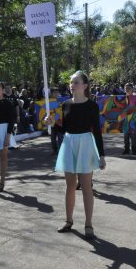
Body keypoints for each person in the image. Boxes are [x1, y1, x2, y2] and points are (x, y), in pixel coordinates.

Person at [45, 71, 106, 239]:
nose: (72, 85)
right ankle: (68, 220)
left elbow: (97, 132)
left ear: (85, 86)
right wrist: (53, 123)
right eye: (71, 82)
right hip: (69, 144)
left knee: (86, 187)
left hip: (85, 145)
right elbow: (65, 129)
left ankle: (88, 224)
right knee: (70, 186)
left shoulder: (92, 105)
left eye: (76, 82)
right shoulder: (65, 104)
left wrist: (101, 155)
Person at [122, 83, 136, 155]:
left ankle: (134, 149)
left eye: (129, 88)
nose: (127, 89)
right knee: (126, 135)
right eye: (126, 88)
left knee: (133, 134)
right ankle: (126, 149)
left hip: (133, 118)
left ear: (132, 89)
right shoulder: (122, 97)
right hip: (125, 118)